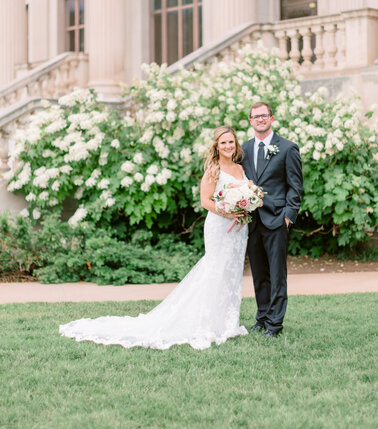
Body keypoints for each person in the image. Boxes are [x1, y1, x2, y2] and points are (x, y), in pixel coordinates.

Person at [59, 126, 249, 350]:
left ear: (236, 144)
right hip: (219, 226)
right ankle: (208, 323)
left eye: (231, 142)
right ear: (216, 146)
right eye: (223, 143)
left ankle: (228, 323)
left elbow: (244, 194)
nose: (228, 146)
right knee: (215, 271)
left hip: (239, 229)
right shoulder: (213, 170)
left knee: (232, 273)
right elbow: (206, 201)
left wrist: (246, 205)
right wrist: (227, 212)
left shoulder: (239, 168)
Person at [242, 102, 303, 337]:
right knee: (258, 274)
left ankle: (275, 323)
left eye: (264, 115)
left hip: (277, 220)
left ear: (271, 118)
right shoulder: (244, 150)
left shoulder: (287, 148)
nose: (260, 119)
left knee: (277, 275)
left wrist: (288, 216)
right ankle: (263, 316)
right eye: (255, 116)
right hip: (252, 222)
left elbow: (295, 187)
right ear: (250, 121)